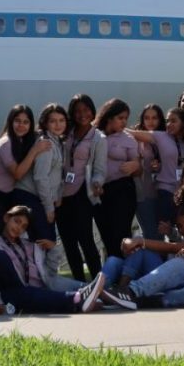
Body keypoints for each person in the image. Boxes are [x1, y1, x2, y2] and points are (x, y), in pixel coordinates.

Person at [0, 205, 102, 314]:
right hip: (22, 291)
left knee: (90, 287)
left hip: (44, 287)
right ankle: (77, 299)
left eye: (23, 226)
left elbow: (50, 272)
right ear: (6, 218)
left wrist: (53, 249)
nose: (19, 227)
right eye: (16, 221)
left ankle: (108, 295)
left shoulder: (31, 246)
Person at [124, 107, 184, 237]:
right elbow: (132, 133)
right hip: (166, 191)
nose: (169, 124)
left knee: (182, 231)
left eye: (174, 121)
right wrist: (111, 125)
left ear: (183, 123)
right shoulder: (160, 136)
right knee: (162, 229)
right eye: (167, 121)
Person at [0, 105, 49, 238]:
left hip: (7, 196)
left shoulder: (22, 140)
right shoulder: (6, 142)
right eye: (17, 121)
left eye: (26, 122)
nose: (21, 125)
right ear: (10, 122)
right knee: (4, 235)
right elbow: (18, 173)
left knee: (9, 236)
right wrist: (35, 151)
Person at [56, 94, 107, 282]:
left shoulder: (98, 137)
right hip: (60, 194)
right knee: (68, 242)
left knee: (85, 240)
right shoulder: (65, 131)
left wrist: (97, 182)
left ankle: (97, 283)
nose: (82, 114)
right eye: (77, 111)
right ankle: (79, 283)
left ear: (92, 111)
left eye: (86, 110)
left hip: (81, 193)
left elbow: (100, 168)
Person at [100, 204, 184, 289]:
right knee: (113, 260)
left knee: (142, 251)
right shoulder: (182, 239)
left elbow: (173, 247)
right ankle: (96, 291)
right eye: (180, 226)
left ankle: (121, 291)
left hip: (173, 283)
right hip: (158, 276)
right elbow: (170, 248)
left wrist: (140, 241)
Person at [92, 98, 141, 259]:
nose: (124, 122)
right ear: (109, 117)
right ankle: (111, 274)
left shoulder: (128, 139)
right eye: (120, 118)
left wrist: (135, 165)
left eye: (126, 118)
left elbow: (138, 169)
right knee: (106, 235)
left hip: (122, 190)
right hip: (98, 191)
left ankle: (125, 275)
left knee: (121, 234)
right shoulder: (92, 134)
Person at [13, 103, 67, 243]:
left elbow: (57, 174)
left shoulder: (58, 142)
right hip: (30, 196)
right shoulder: (47, 145)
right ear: (45, 123)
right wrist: (49, 208)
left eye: (61, 120)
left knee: (46, 241)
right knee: (46, 240)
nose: (58, 124)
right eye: (53, 121)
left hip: (39, 198)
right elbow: (40, 178)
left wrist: (58, 194)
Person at [132, 104, 166, 241]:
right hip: (144, 194)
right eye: (147, 118)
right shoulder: (136, 139)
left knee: (163, 233)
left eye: (154, 118)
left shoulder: (167, 137)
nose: (150, 122)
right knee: (150, 233)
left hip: (164, 192)